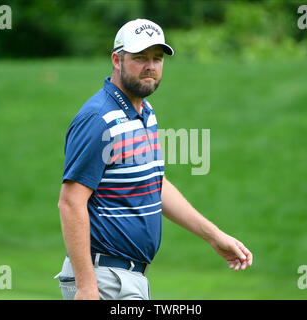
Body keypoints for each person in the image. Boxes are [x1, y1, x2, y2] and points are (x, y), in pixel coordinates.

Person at [54, 18, 253, 300]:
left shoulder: (145, 112)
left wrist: (214, 235)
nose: (150, 66)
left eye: (157, 58)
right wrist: (87, 287)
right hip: (103, 279)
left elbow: (154, 185)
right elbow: (71, 202)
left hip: (128, 278)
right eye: (139, 58)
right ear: (116, 59)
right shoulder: (99, 118)